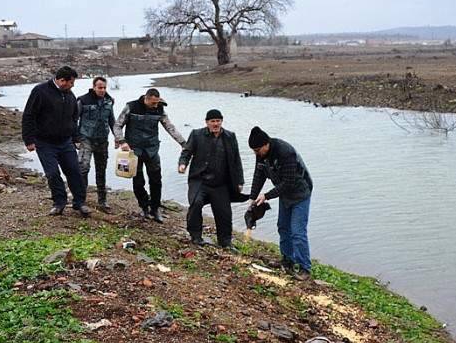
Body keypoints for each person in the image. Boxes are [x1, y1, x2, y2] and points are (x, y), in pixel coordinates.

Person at [22, 66, 90, 217]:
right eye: (71, 83)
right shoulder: (40, 91)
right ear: (61, 80)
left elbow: (73, 119)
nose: (73, 86)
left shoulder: (70, 95)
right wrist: (28, 139)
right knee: (52, 173)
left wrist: (76, 138)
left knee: (74, 171)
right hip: (45, 142)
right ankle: (59, 203)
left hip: (66, 142)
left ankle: (80, 203)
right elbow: (28, 115)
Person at [248, 126, 313, 280]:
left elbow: (289, 182)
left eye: (257, 150)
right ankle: (287, 260)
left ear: (266, 144)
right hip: (285, 195)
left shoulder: (285, 152)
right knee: (283, 227)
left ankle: (305, 268)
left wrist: (267, 196)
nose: (256, 154)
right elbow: (259, 174)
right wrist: (252, 197)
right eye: (254, 151)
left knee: (297, 232)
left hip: (300, 193)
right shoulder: (261, 155)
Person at [113, 88, 186, 222]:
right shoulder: (131, 107)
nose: (155, 105)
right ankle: (144, 206)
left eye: (157, 103)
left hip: (152, 149)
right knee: (138, 181)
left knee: (156, 179)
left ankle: (155, 208)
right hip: (133, 151)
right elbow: (117, 125)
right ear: (146, 98)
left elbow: (170, 127)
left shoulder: (160, 109)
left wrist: (183, 143)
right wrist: (121, 141)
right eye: (153, 103)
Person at [178, 109, 247, 249]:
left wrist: (240, 181)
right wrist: (182, 163)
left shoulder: (230, 136)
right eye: (212, 121)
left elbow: (236, 160)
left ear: (222, 121)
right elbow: (187, 152)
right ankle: (196, 236)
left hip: (220, 183)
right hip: (200, 180)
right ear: (207, 122)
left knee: (225, 212)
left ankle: (225, 241)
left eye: (218, 121)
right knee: (196, 204)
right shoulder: (197, 135)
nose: (216, 124)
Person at [76, 76, 115, 213]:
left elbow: (112, 121)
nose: (102, 90)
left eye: (104, 87)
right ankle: (80, 200)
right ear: (94, 87)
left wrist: (119, 139)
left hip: (102, 140)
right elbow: (74, 119)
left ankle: (102, 201)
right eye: (100, 87)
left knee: (101, 170)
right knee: (83, 168)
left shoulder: (109, 101)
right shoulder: (83, 100)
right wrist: (75, 138)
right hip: (86, 139)